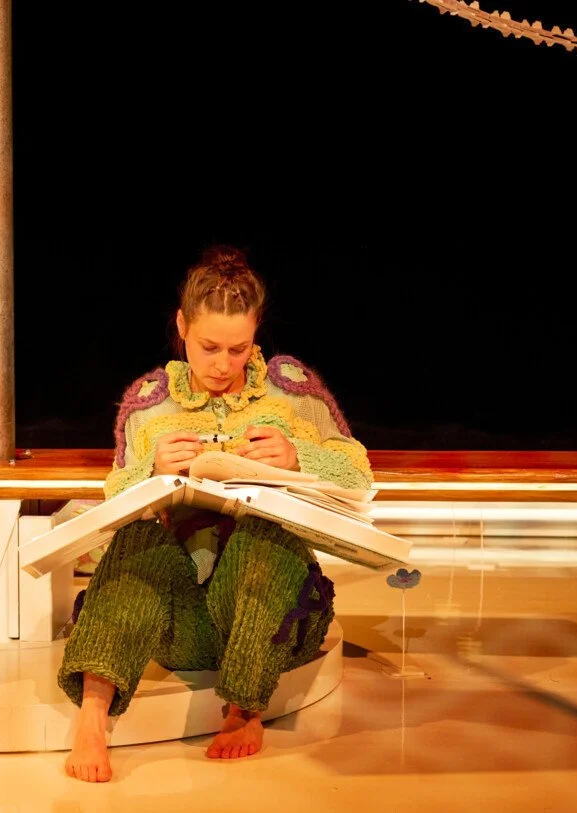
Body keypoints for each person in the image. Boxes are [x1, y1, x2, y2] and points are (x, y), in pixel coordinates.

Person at [58, 244, 373, 782]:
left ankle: (245, 710)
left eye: (238, 348)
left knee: (264, 538)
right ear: (182, 326)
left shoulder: (290, 391)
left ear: (255, 336)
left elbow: (358, 473)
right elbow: (117, 495)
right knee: (138, 543)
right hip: (181, 618)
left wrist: (299, 455)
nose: (224, 365)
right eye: (209, 347)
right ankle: (91, 718)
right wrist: (152, 470)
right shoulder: (150, 403)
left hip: (270, 611)